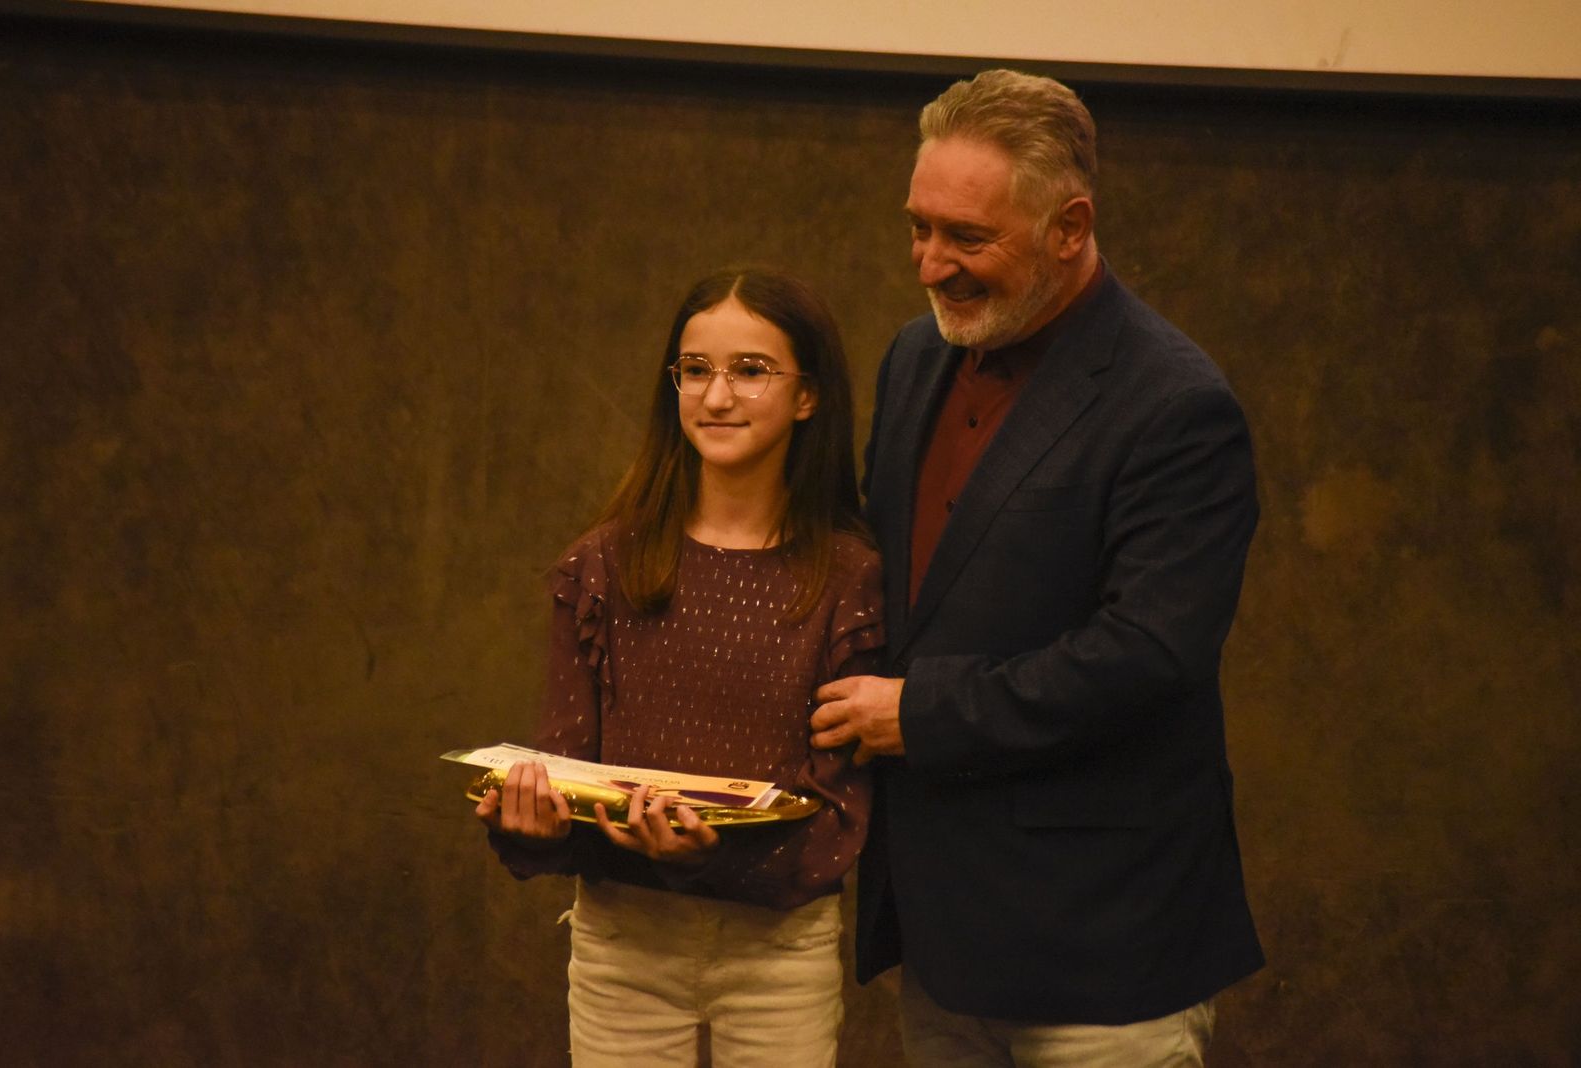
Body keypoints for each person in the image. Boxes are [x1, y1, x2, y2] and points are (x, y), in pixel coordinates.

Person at [809, 69, 1264, 1066]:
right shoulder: (912, 359)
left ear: (1070, 227)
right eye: (918, 228)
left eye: (968, 239)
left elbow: (1146, 655)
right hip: (939, 946)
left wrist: (915, 713)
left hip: (1106, 958)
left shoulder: (1174, 405)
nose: (931, 266)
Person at [478, 266, 884, 1068]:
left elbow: (841, 816)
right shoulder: (602, 564)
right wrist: (533, 822)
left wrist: (715, 853)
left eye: (751, 370)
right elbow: (569, 768)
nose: (717, 396)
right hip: (626, 942)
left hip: (779, 951)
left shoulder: (850, 577)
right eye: (695, 370)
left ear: (808, 396)